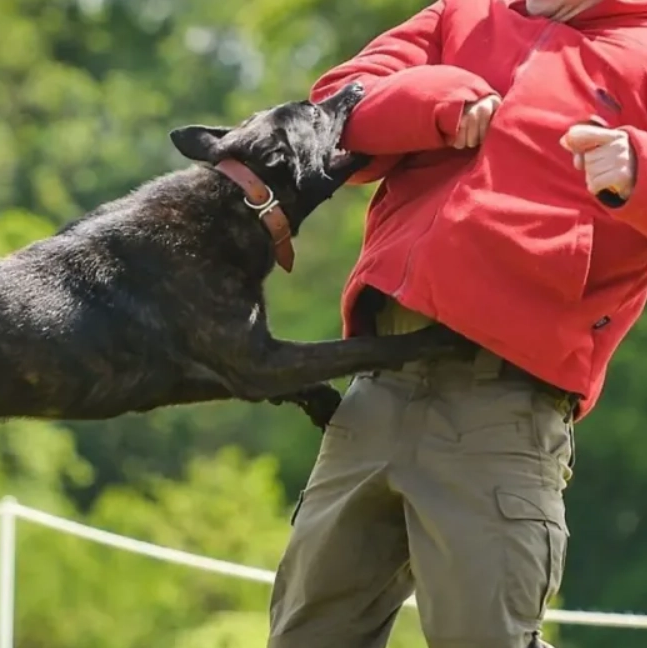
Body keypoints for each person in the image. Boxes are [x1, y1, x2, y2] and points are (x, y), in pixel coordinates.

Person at [267, 1, 647, 647]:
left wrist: (639, 167)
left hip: (504, 413)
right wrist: (440, 98)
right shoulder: (461, 13)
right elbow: (335, 108)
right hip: (374, 392)